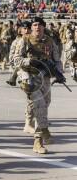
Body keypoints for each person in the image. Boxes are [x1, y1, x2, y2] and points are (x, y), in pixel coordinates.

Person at [13, 17, 63, 154]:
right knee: (39, 105)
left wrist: (59, 73)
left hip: (44, 78)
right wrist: (30, 61)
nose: (37, 27)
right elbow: (16, 59)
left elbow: (57, 60)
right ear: (31, 27)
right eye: (34, 25)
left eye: (39, 25)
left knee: (44, 106)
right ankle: (40, 138)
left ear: (43, 27)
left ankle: (40, 137)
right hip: (29, 78)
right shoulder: (25, 40)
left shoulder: (49, 41)